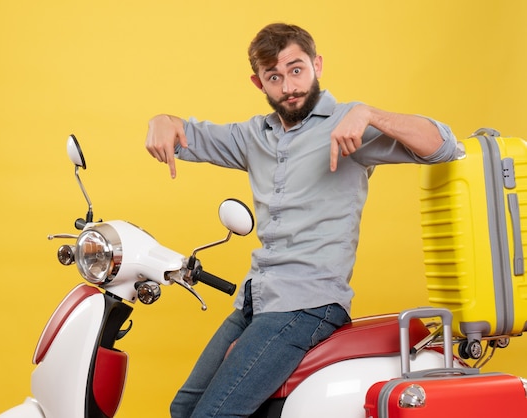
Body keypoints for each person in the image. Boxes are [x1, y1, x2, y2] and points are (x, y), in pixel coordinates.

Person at [145, 23, 460, 418]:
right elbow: (182, 133)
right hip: (256, 299)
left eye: (297, 70)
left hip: (309, 303)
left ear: (317, 65)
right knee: (184, 408)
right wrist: (161, 120)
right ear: (259, 83)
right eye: (274, 77)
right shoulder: (254, 136)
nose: (289, 86)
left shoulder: (350, 125)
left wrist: (368, 113)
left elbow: (444, 145)